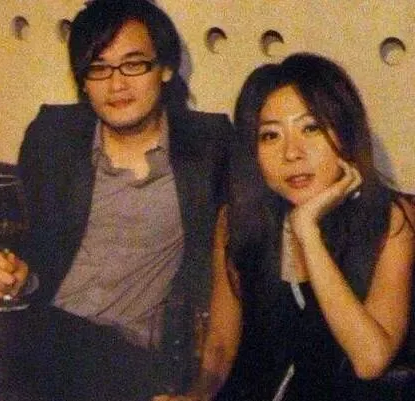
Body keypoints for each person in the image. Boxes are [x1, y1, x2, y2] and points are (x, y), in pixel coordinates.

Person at [0, 0, 232, 400]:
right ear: (83, 80)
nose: (116, 85)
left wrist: (203, 388)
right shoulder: (54, 138)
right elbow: (36, 253)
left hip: (130, 358)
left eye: (133, 65)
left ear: (165, 69)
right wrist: (15, 275)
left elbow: (231, 279)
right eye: (99, 68)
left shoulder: (210, 149)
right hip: (43, 334)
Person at [155, 53, 415, 401]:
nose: (292, 153)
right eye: (270, 136)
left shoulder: (391, 218)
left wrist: (307, 230)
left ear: (345, 132)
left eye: (311, 128)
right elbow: (221, 343)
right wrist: (196, 395)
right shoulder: (238, 220)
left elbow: (370, 359)